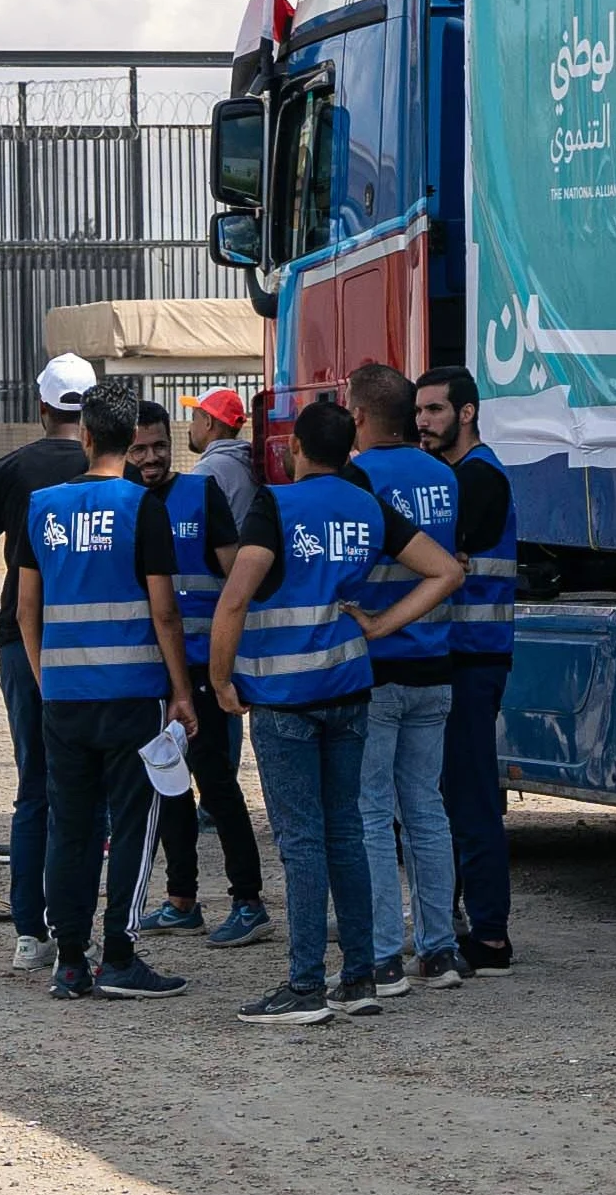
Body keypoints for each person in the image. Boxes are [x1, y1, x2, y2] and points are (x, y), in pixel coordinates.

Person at [211, 395, 435, 1023]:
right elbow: (444, 572)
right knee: (347, 835)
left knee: (302, 841)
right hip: (348, 688)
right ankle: (359, 977)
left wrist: (221, 678)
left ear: (295, 450)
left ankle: (305, 985)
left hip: (284, 699)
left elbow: (234, 601)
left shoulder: (275, 505)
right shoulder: (367, 507)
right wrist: (381, 625)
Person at [5, 392, 192, 1002]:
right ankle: (119, 954)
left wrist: (44, 675)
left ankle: (68, 960)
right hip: (133, 693)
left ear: (85, 436)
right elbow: (164, 611)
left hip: (63, 696)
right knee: (134, 825)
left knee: (71, 827)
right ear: (128, 440)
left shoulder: (42, 508)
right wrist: (182, 692)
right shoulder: (142, 508)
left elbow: (26, 607)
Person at [0, 352, 107, 967]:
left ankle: (29, 931)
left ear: (41, 407)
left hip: (24, 637)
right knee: (97, 791)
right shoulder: (108, 470)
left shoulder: (12, 470)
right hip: (102, 644)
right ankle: (93, 928)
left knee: (34, 784)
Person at [342, 364, 483, 989]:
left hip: (376, 667)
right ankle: (439, 948)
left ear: (363, 417)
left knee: (372, 811)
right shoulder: (444, 477)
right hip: (436, 663)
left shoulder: (358, 477)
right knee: (426, 808)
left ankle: (380, 954)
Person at [139, 394, 268, 947]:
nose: (152, 458)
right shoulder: (121, 502)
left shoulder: (200, 491)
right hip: (149, 670)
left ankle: (248, 900)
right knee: (167, 784)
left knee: (215, 783)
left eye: (160, 446)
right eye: (141, 449)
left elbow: (235, 571)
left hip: (201, 666)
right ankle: (181, 899)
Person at [409, 363, 525, 970]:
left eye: (434, 410)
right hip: (454, 656)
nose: (422, 421)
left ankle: (489, 934)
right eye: (419, 411)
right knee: (446, 795)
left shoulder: (479, 479)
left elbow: (450, 557)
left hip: (473, 660)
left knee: (472, 795)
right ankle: (455, 918)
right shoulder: (453, 476)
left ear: (467, 412)